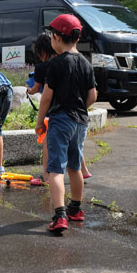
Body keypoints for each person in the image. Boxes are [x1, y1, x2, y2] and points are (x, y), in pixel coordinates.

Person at [35, 14, 97, 233]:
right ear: (77, 38)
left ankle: (60, 215)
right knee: (74, 166)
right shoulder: (86, 63)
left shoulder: (56, 64)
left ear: (56, 37)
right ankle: (76, 209)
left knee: (55, 169)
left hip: (61, 119)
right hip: (80, 121)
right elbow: (93, 96)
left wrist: (40, 120)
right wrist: (79, 108)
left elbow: (46, 97)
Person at [28, 33, 92, 186]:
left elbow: (42, 94)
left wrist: (28, 91)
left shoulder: (44, 66)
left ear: (41, 51)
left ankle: (47, 176)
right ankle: (84, 170)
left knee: (48, 146)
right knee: (75, 147)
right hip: (77, 115)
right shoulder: (76, 62)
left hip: (56, 113)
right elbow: (92, 95)